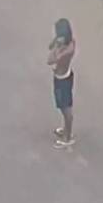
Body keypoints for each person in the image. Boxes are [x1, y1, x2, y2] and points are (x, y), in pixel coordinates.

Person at [47, 18, 76, 148]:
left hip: (62, 80)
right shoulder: (70, 43)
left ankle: (67, 137)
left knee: (65, 109)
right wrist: (55, 42)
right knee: (64, 106)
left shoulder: (67, 50)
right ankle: (66, 130)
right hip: (63, 76)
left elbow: (50, 60)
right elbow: (49, 46)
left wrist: (57, 47)